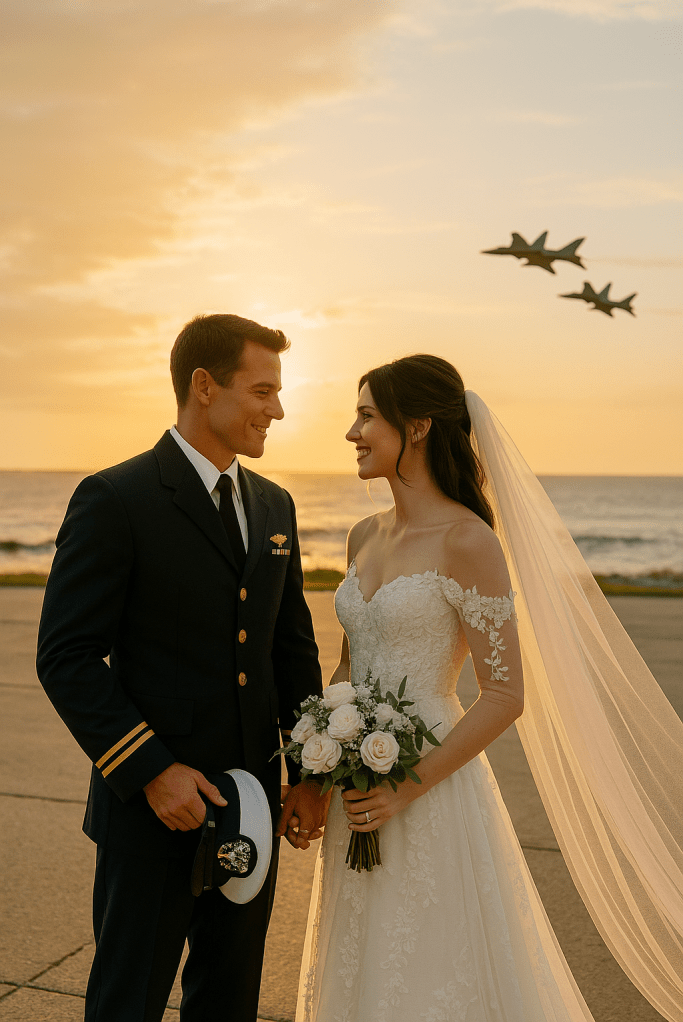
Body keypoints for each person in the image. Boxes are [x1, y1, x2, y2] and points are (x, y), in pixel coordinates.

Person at [296, 354, 683, 1022]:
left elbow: (504, 694)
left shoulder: (467, 540)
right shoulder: (364, 533)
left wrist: (402, 787)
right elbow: (346, 671)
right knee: (362, 959)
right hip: (355, 789)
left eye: (365, 415)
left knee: (433, 966)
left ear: (415, 426)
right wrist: (317, 760)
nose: (351, 432)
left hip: (429, 786)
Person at [36, 313, 329, 1022]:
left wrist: (309, 776)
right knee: (126, 1002)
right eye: (262, 390)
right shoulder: (116, 497)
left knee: (228, 1003)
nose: (278, 409)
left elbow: (289, 652)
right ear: (204, 386)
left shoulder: (274, 504)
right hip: (150, 812)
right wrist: (151, 771)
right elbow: (67, 656)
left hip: (253, 804)